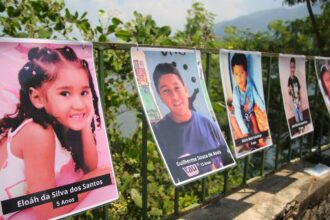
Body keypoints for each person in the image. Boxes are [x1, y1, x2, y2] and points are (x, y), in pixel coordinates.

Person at [0, 46, 108, 219]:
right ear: (37, 98)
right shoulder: (37, 133)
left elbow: (90, 167)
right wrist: (94, 180)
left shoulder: (58, 121)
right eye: (65, 93)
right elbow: (47, 209)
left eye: (84, 92)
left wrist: (86, 123)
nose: (79, 103)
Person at [152, 63, 233, 183]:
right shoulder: (159, 132)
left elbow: (226, 156)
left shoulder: (208, 123)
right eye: (166, 91)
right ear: (160, 97)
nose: (174, 96)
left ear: (185, 90)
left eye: (177, 88)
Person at [231, 53, 268, 150]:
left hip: (250, 113)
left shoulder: (250, 85)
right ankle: (247, 143)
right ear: (233, 75)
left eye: (241, 73)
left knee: (254, 124)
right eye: (236, 74)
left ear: (246, 73)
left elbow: (256, 98)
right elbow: (238, 112)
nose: (239, 78)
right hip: (242, 115)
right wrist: (244, 130)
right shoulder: (235, 92)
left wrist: (264, 109)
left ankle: (259, 142)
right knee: (233, 119)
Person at [287, 57, 304, 127]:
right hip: (293, 100)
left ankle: (302, 125)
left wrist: (300, 100)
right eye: (291, 67)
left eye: (293, 67)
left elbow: (299, 90)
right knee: (296, 114)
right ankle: (299, 126)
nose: (292, 69)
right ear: (289, 67)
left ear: (295, 67)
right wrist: (289, 90)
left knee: (300, 112)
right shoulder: (289, 79)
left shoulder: (296, 78)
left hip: (298, 99)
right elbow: (288, 92)